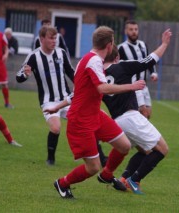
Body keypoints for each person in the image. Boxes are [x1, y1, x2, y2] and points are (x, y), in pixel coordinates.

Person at [48, 26, 146, 199]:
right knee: (92, 167)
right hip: (81, 119)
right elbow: (103, 88)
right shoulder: (93, 61)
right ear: (109, 45)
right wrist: (131, 86)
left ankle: (107, 174)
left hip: (95, 115)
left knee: (124, 145)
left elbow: (81, 91)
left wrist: (57, 106)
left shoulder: (89, 59)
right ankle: (62, 183)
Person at [102, 29, 172, 194]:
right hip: (130, 117)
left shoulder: (99, 75)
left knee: (145, 150)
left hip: (118, 122)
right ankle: (135, 179)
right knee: (162, 149)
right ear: (117, 58)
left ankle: (125, 178)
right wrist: (164, 44)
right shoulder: (122, 67)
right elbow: (149, 60)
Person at [16, 26, 74, 165]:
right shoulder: (34, 56)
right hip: (48, 101)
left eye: (55, 38)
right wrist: (25, 74)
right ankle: (51, 159)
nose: (54, 41)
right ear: (42, 39)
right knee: (55, 128)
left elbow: (71, 72)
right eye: (51, 38)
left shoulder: (61, 53)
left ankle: (100, 157)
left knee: (86, 122)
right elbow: (19, 76)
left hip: (66, 99)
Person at [118, 20, 157, 119]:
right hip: (133, 87)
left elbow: (148, 60)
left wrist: (153, 72)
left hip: (144, 86)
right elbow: (118, 67)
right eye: (131, 29)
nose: (134, 32)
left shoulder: (143, 45)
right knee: (142, 113)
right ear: (126, 31)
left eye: (136, 29)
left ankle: (134, 133)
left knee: (147, 114)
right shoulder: (121, 48)